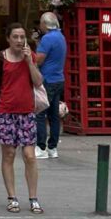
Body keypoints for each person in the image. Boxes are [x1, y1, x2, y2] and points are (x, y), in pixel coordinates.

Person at [0, 23, 44, 214]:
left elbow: (38, 82)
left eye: (22, 37)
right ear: (8, 38)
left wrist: (29, 62)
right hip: (5, 112)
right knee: (8, 155)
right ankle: (12, 197)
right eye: (15, 37)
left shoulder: (30, 56)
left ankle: (33, 198)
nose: (19, 40)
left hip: (27, 113)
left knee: (30, 156)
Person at [34, 11, 67, 159]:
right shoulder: (61, 36)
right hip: (59, 79)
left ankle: (41, 147)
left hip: (47, 79)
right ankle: (53, 148)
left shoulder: (47, 38)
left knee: (40, 113)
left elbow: (39, 60)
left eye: (41, 23)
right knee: (54, 115)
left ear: (45, 24)